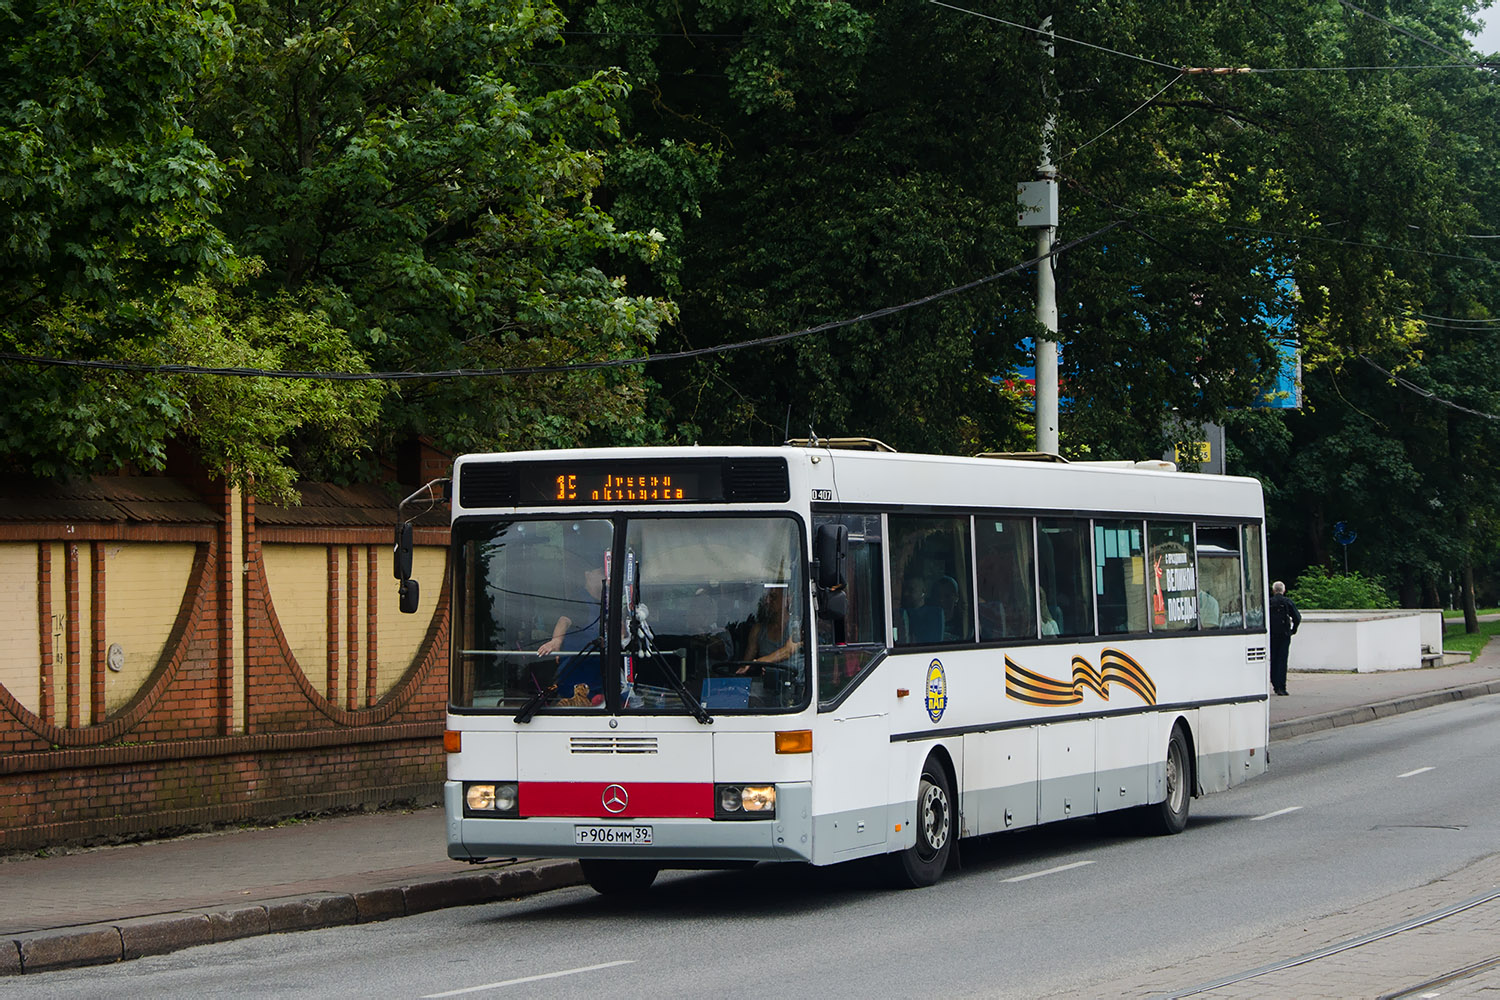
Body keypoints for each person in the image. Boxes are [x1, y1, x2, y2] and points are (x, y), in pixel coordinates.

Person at [539, 564, 606, 655]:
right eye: (601, 572)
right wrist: (556, 641)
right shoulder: (579, 600)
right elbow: (564, 620)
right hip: (578, 661)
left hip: (603, 662)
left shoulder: (610, 600)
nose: (605, 576)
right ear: (588, 574)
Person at [737, 585, 801, 671]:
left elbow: (788, 651)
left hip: (795, 681)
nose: (767, 601)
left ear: (787, 599)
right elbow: (746, 664)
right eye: (766, 597)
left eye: (773, 597)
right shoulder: (758, 630)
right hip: (767, 682)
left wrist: (759, 662)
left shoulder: (797, 625)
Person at [1269, 580, 1301, 696]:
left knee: (1273, 659)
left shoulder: (1269, 602)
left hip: (1272, 635)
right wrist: (1293, 630)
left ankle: (1275, 684)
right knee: (1282, 659)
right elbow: (1297, 617)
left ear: (1273, 590)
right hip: (1284, 635)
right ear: (1284, 590)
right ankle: (1281, 687)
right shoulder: (1287, 602)